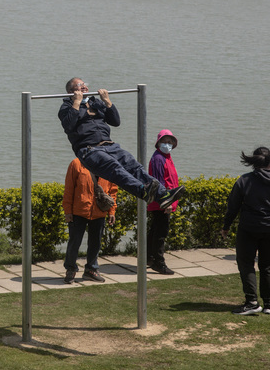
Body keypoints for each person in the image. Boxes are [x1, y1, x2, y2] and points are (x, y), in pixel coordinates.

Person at [58, 78, 183, 211]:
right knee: (115, 168)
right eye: (80, 85)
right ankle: (142, 191)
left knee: (133, 165)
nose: (84, 87)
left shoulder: (95, 102)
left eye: (85, 85)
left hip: (110, 145)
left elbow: (116, 121)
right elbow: (69, 126)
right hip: (89, 150)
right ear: (71, 91)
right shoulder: (66, 108)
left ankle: (163, 195)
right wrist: (76, 102)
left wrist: (107, 102)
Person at [222, 147, 270, 316]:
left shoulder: (244, 181)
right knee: (268, 266)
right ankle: (269, 304)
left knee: (246, 263)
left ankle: (252, 302)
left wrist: (226, 226)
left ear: (253, 162)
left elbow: (233, 207)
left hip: (249, 228)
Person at [62, 157, 119, 283]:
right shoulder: (76, 164)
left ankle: (91, 270)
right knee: (74, 242)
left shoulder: (108, 164)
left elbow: (113, 190)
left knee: (95, 243)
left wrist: (112, 211)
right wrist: (68, 211)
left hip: (99, 211)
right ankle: (71, 269)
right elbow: (69, 189)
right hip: (78, 211)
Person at [147, 129, 180, 275]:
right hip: (161, 203)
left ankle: (149, 258)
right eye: (164, 142)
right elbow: (159, 182)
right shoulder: (159, 159)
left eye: (169, 142)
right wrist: (166, 203)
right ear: (158, 143)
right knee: (160, 232)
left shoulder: (165, 157)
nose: (167, 144)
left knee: (155, 230)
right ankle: (159, 263)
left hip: (162, 201)